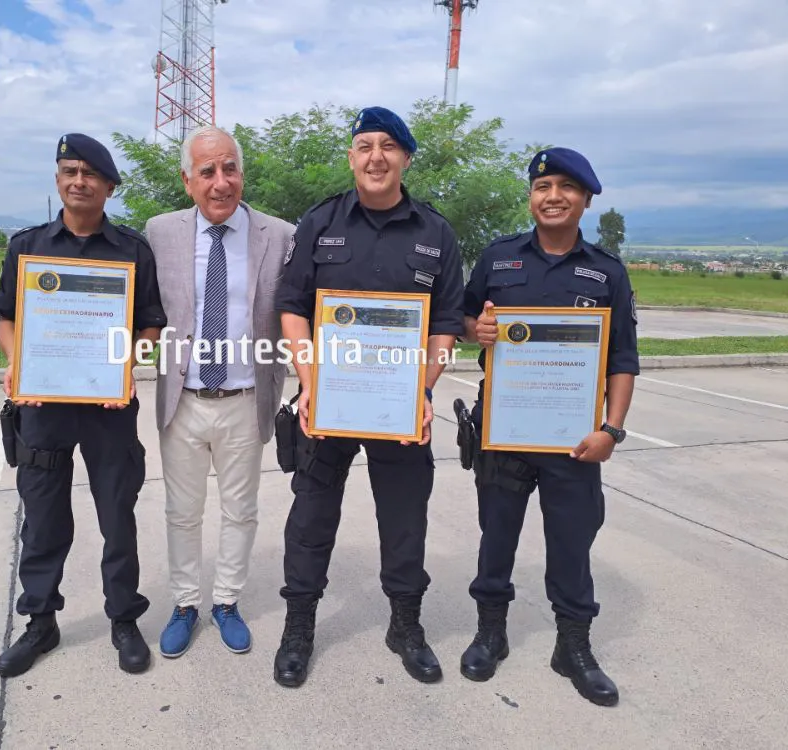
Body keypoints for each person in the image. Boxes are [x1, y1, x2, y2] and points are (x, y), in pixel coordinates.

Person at [272, 106, 465, 687]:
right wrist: (309, 383)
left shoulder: (436, 233)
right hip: (326, 405)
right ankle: (299, 626)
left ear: (405, 157)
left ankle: (405, 624)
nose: (375, 156)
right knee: (310, 517)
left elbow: (445, 325)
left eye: (388, 146)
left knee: (405, 519)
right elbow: (292, 309)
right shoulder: (319, 222)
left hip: (400, 407)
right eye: (364, 146)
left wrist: (423, 391)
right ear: (352, 156)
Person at [458, 147, 639, 707]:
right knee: (497, 535)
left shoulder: (607, 272)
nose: (552, 196)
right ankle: (491, 633)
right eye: (542, 187)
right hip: (504, 432)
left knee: (571, 542)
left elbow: (623, 360)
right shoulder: (498, 259)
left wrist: (612, 430)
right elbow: (463, 320)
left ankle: (574, 647)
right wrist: (477, 330)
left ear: (585, 198)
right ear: (531, 196)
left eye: (565, 187)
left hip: (573, 440)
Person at [0, 133, 167, 677]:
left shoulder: (133, 251)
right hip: (43, 406)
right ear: (59, 179)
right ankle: (40, 622)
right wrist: (18, 360)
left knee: (118, 515)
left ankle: (123, 618)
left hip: (108, 409)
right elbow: (6, 320)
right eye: (69, 171)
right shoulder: (28, 247)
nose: (79, 181)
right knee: (42, 520)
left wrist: (126, 361)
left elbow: (151, 324)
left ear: (109, 186)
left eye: (91, 174)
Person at [144, 125, 294, 658]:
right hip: (181, 401)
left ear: (242, 173)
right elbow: (141, 307)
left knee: (240, 511)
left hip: (245, 399)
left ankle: (226, 601)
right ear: (188, 180)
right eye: (207, 171)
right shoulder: (159, 232)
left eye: (229, 168)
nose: (220, 181)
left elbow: (299, 310)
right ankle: (185, 603)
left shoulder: (278, 234)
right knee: (181, 512)